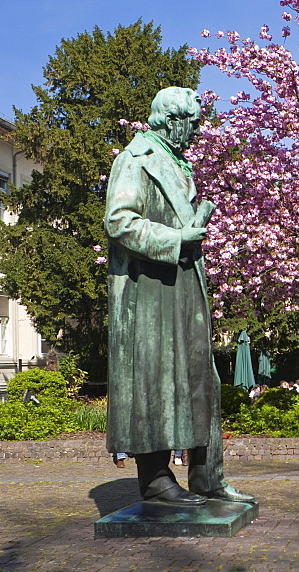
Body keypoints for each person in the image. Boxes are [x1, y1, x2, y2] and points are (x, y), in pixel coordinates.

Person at [105, 86, 252, 505]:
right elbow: (118, 221)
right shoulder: (136, 159)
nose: (197, 131)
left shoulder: (174, 160)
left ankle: (208, 478)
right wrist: (176, 237)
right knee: (155, 376)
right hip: (150, 289)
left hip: (182, 282)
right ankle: (155, 480)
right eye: (192, 123)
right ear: (172, 120)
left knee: (200, 377)